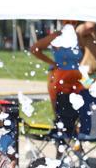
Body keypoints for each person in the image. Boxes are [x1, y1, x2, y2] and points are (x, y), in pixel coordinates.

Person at [30, 21, 83, 149]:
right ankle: (62, 148)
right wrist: (52, 63)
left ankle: (74, 145)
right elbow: (35, 49)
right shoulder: (57, 36)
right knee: (60, 116)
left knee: (79, 114)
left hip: (77, 79)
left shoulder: (80, 36)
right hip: (60, 80)